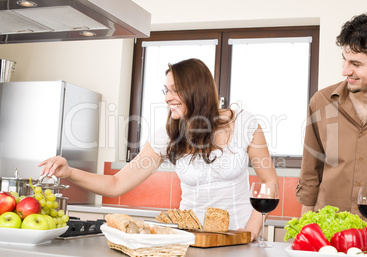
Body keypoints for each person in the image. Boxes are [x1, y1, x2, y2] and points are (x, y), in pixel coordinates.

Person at [39, 58, 278, 241]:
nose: (167, 98)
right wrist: (69, 172)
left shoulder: (244, 123)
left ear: (197, 91)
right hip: (190, 241)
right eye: (166, 90)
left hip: (240, 238)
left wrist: (250, 232)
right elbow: (116, 184)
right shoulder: (168, 135)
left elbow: (270, 182)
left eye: (175, 90)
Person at [296, 13, 367, 243]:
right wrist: (304, 233)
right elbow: (310, 172)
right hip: (329, 239)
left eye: (355, 64)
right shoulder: (322, 102)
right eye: (344, 60)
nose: (345, 71)